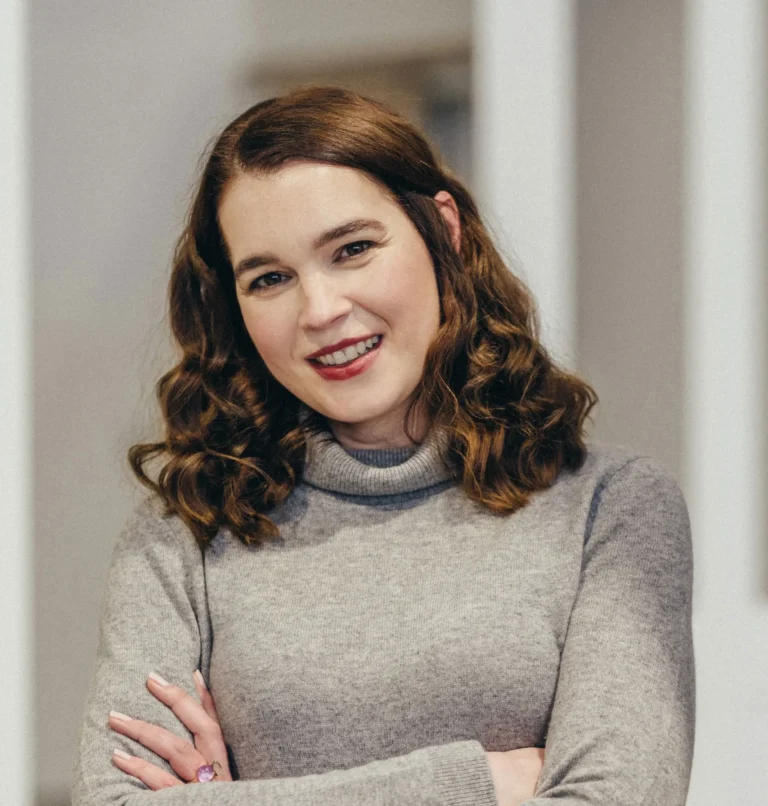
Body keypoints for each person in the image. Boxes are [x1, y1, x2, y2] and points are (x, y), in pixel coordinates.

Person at [72, 86, 695, 806]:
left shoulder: (611, 510)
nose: (320, 310)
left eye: (353, 249)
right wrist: (482, 783)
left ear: (443, 231)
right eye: (269, 279)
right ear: (233, 307)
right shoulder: (183, 535)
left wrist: (230, 799)